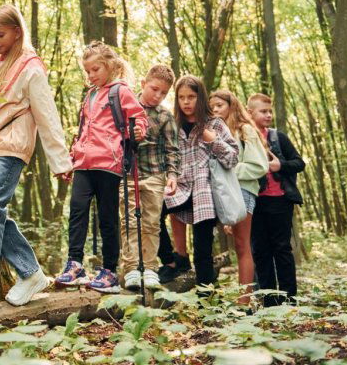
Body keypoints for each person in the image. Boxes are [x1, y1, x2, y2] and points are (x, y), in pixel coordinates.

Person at [0, 5, 72, 315]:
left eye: (1, 34)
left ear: (17, 31)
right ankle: (31, 272)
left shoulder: (31, 67)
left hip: (12, 147)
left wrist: (60, 161)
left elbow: (47, 115)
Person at [55, 41, 147, 294]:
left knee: (107, 218)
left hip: (109, 163)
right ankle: (75, 264)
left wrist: (138, 131)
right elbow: (83, 131)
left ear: (110, 66)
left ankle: (109, 270)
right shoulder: (89, 96)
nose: (91, 75)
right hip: (84, 163)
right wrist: (71, 161)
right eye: (87, 71)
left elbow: (138, 118)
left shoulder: (120, 91)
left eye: (95, 69)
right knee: (77, 210)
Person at [163, 76, 239, 288]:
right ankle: (174, 260)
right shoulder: (173, 126)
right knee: (150, 213)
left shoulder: (215, 123)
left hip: (204, 193)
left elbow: (233, 157)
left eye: (192, 97)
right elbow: (166, 156)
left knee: (202, 249)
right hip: (180, 188)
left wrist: (213, 141)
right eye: (181, 97)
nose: (186, 102)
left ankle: (206, 297)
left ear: (201, 97)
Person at [119, 64, 179, 290]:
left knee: (152, 223)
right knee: (129, 221)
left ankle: (151, 268)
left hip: (155, 175)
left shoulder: (165, 116)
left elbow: (172, 149)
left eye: (163, 92)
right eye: (154, 89)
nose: (158, 95)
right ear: (143, 84)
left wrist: (172, 175)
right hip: (128, 174)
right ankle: (131, 267)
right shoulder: (125, 107)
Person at [210, 89, 269, 304]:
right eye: (212, 107)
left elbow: (259, 166)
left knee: (243, 245)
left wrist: (230, 170)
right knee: (233, 244)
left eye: (219, 105)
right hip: (220, 193)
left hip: (242, 191)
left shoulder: (245, 130)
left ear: (231, 105)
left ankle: (244, 302)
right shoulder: (213, 133)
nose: (215, 110)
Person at [247, 93, 305, 306]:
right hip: (255, 202)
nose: (268, 115)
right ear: (250, 112)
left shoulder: (278, 137)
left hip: (280, 201)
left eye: (270, 111)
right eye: (263, 111)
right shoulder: (243, 138)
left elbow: (299, 163)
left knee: (282, 249)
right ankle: (270, 302)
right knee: (260, 251)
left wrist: (280, 165)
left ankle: (290, 299)